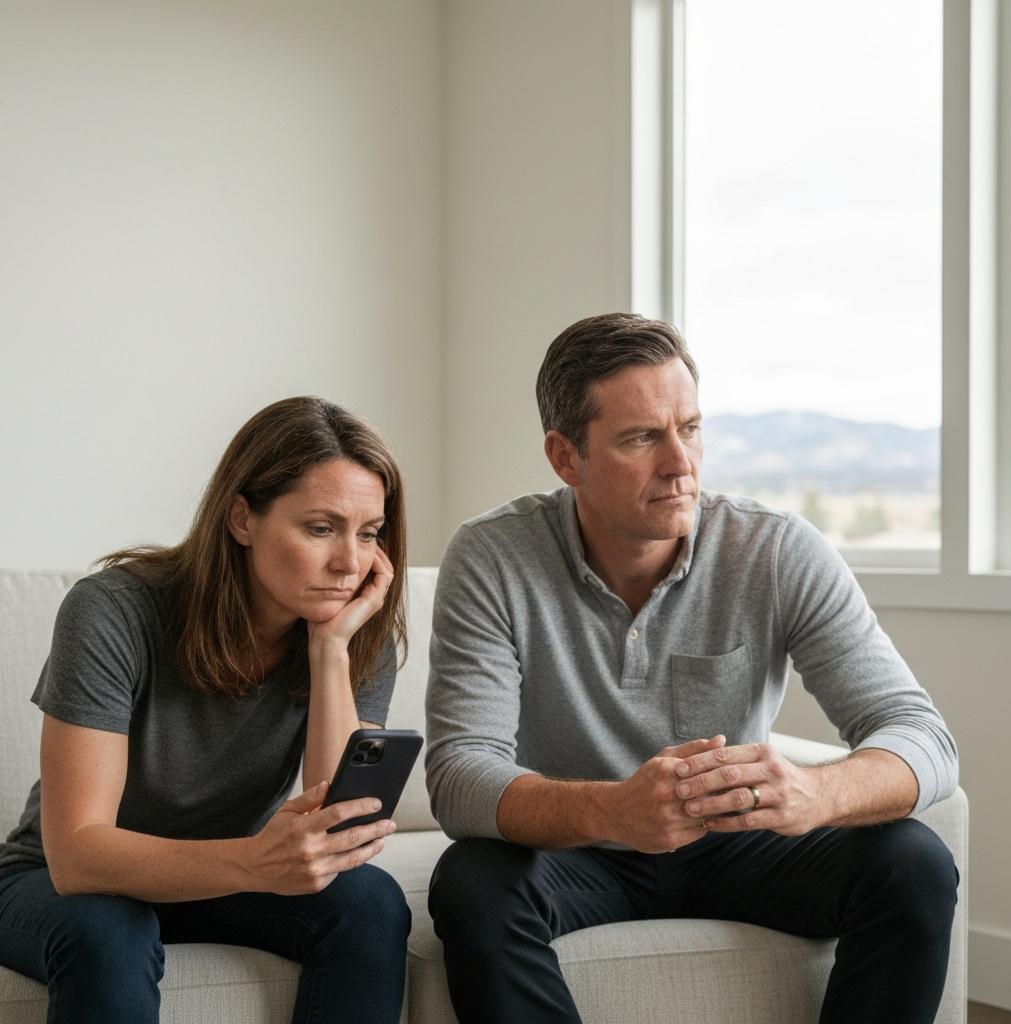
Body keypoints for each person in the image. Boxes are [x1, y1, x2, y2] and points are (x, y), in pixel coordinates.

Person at [425, 313, 960, 1024]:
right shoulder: (493, 557)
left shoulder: (775, 551)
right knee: (472, 881)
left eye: (691, 428)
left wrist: (815, 793)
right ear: (565, 456)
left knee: (914, 863)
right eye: (642, 437)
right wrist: (612, 809)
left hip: (738, 849)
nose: (680, 464)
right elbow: (460, 775)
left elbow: (922, 735)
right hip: (582, 850)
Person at [0, 396, 412, 1024]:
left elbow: (337, 825)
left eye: (368, 533)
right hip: (61, 879)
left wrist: (330, 650)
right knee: (108, 931)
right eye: (321, 528)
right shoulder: (113, 610)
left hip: (222, 876)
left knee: (370, 902)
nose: (350, 564)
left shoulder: (353, 630)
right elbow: (78, 854)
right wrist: (253, 862)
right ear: (242, 519)